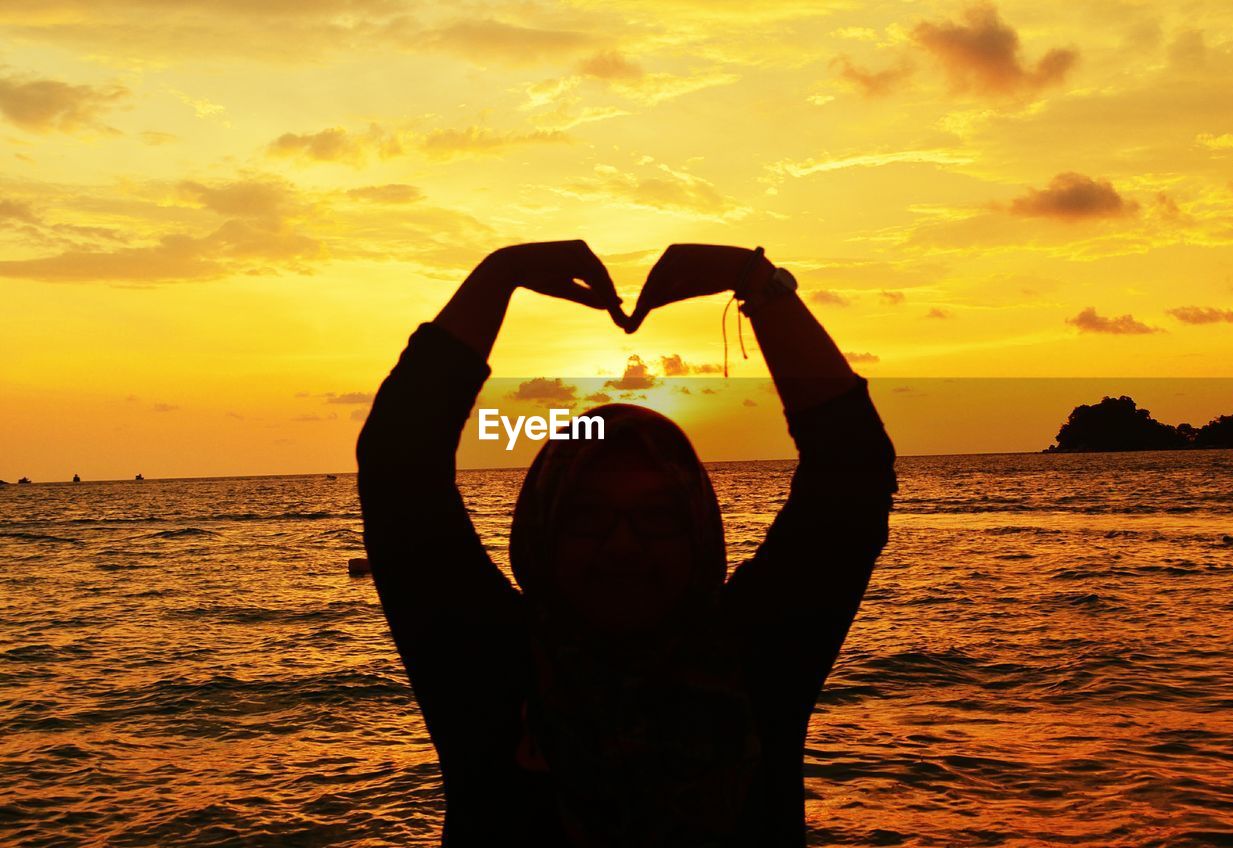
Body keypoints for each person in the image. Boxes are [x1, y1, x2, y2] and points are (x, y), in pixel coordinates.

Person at [356, 241, 897, 847]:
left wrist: (756, 282)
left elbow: (850, 470)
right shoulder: (486, 663)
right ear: (544, 534)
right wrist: (498, 274)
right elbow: (400, 463)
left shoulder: (757, 653)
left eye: (658, 517)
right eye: (588, 518)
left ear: (699, 533)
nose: (622, 547)